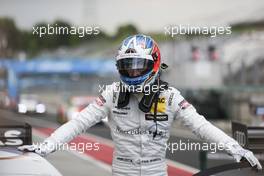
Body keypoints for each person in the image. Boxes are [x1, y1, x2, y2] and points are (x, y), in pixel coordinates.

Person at [18, 34, 262, 176]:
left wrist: (236, 148)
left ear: (154, 64)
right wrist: (46, 146)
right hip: (122, 171)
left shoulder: (170, 96)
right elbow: (78, 123)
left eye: (138, 65)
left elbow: (202, 126)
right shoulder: (112, 93)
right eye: (127, 65)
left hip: (156, 171)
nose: (133, 71)